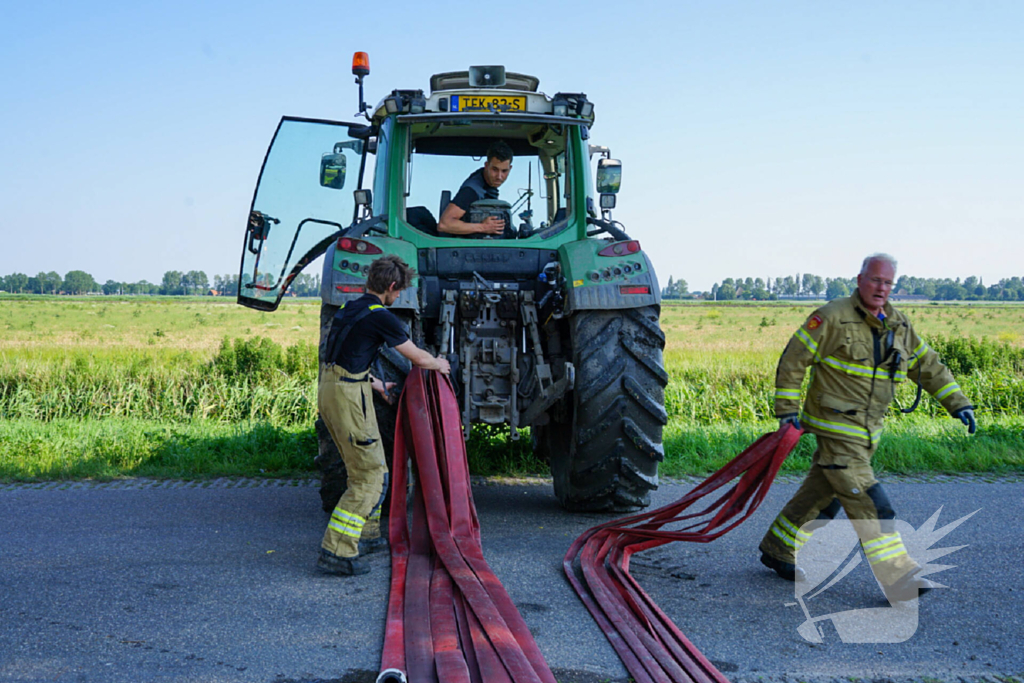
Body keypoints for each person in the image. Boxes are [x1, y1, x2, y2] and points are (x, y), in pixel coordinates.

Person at [759, 253, 976, 602]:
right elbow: (794, 359)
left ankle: (779, 546)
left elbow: (927, 365)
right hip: (835, 428)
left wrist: (958, 403)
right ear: (859, 279)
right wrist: (787, 410)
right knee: (870, 503)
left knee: (822, 495)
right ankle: (899, 578)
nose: (881, 288)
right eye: (875, 280)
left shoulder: (898, 324)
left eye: (888, 282)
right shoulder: (832, 317)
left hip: (866, 434)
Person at [317, 255, 451, 576]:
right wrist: (439, 364)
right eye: (398, 291)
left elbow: (345, 355)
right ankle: (336, 551)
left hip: (334, 388)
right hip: (349, 397)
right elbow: (415, 356)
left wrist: (376, 384)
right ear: (392, 287)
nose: (398, 297)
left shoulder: (350, 308)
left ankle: (365, 535)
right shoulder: (382, 316)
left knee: (362, 467)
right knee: (371, 476)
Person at [438, 140, 514, 238]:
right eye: (494, 169)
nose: (499, 176)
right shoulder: (472, 190)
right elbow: (445, 224)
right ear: (486, 166)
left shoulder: (489, 186)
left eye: (504, 171)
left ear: (510, 168)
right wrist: (483, 227)